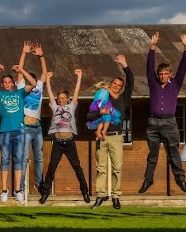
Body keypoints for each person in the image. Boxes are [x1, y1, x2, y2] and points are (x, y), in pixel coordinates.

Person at [141, 32, 186, 194]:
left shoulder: (175, 84)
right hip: (153, 123)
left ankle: (180, 180)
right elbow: (149, 68)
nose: (163, 76)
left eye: (165, 74)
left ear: (170, 74)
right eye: (160, 74)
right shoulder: (153, 83)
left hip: (170, 123)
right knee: (152, 155)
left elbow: (183, 68)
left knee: (173, 153)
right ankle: (148, 181)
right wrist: (152, 48)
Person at [0, 62, 36, 203]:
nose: (7, 84)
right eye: (4, 82)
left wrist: (21, 70)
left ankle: (17, 189)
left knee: (19, 159)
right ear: (2, 85)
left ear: (13, 84)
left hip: (19, 130)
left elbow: (33, 83)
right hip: (5, 131)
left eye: (9, 82)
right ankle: (4, 190)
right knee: (5, 160)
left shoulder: (19, 93)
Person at [39, 68, 91, 205]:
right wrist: (48, 80)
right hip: (57, 142)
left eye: (63, 98)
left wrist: (79, 76)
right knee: (52, 167)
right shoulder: (55, 107)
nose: (61, 100)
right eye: (59, 98)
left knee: (77, 167)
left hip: (69, 143)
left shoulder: (71, 107)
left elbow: (77, 92)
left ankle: (85, 192)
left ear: (68, 100)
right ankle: (45, 193)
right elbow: (49, 93)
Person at [90, 54, 134, 210]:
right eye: (113, 84)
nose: (116, 86)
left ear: (121, 88)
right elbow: (92, 113)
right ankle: (101, 195)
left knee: (117, 168)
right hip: (102, 137)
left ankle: (116, 196)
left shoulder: (123, 98)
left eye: (118, 85)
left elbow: (131, 81)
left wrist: (125, 65)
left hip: (116, 137)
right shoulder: (102, 97)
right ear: (110, 85)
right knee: (101, 168)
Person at [17, 41, 46, 193]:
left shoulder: (39, 88)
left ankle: (38, 183)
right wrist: (24, 53)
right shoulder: (22, 89)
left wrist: (41, 56)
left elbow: (44, 73)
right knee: (23, 158)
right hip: (25, 128)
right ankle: (20, 187)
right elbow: (20, 72)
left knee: (39, 158)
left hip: (37, 128)